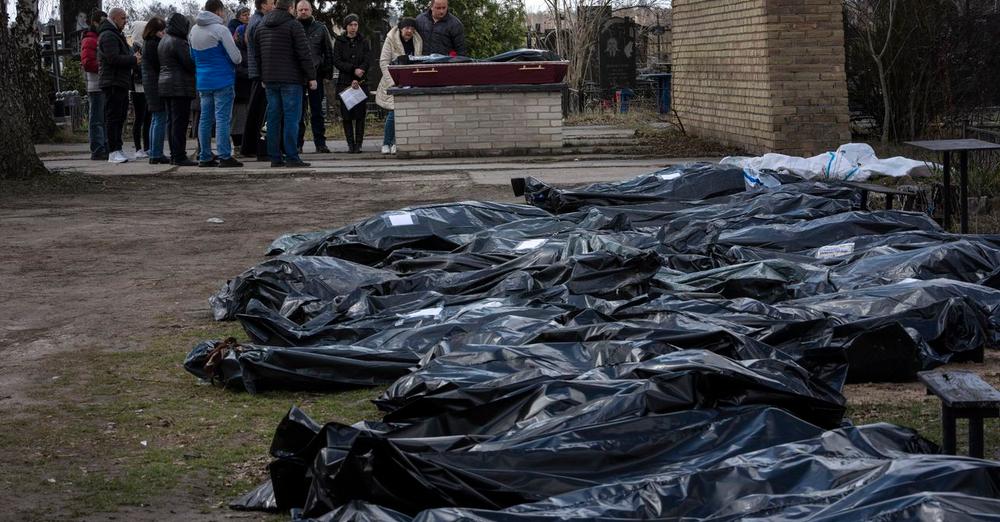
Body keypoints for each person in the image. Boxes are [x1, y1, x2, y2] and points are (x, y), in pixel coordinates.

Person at [254, 0, 317, 167]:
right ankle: (292, 156)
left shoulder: (261, 25)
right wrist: (311, 77)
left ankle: (274, 157)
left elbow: (257, 55)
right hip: (291, 80)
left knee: (273, 119)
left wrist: (262, 77)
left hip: (270, 80)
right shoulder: (293, 25)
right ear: (290, 8)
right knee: (291, 119)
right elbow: (304, 53)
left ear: (276, 6)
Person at [190, 0, 244, 168]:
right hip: (223, 80)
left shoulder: (193, 30)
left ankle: (204, 155)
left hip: (203, 82)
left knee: (205, 119)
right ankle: (224, 155)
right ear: (219, 11)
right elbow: (236, 57)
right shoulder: (221, 30)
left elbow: (192, 56)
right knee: (222, 119)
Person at [97, 7, 141, 164]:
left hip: (120, 81)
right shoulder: (108, 35)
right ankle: (113, 151)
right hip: (112, 82)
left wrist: (132, 58)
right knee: (113, 117)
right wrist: (133, 60)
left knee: (120, 116)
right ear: (114, 18)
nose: (126, 21)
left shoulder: (116, 34)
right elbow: (113, 58)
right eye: (123, 18)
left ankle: (118, 148)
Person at [376, 17, 422, 155]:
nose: (409, 31)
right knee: (393, 113)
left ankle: (397, 142)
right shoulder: (390, 39)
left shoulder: (417, 41)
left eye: (412, 29)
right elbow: (384, 62)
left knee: (406, 113)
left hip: (411, 82)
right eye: (407, 28)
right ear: (401, 28)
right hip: (394, 82)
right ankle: (386, 142)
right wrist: (393, 82)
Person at [158, 13, 198, 166]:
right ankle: (180, 155)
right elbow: (189, 63)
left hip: (166, 85)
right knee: (179, 122)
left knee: (171, 122)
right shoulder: (179, 42)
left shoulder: (164, 40)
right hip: (179, 86)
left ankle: (175, 154)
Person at [295, 0, 334, 153]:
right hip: (297, 76)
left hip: (316, 74)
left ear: (311, 10)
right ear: (296, 11)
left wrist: (327, 74)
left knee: (317, 111)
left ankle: (320, 143)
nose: (303, 12)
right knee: (298, 112)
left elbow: (328, 52)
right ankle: (298, 143)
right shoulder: (293, 27)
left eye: (306, 9)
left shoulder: (321, 28)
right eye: (300, 10)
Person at [241, 0, 275, 160]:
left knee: (255, 111)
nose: (274, 5)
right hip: (261, 73)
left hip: (257, 72)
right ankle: (258, 147)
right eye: (272, 3)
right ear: (263, 5)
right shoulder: (260, 22)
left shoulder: (255, 20)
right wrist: (264, 74)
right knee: (260, 113)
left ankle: (249, 146)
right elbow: (261, 51)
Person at [332, 13, 370, 154]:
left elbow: (367, 58)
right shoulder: (340, 41)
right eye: (350, 25)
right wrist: (353, 70)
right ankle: (350, 144)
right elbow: (337, 61)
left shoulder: (364, 41)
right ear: (346, 26)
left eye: (355, 24)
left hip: (361, 81)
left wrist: (361, 71)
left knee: (360, 115)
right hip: (345, 82)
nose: (353, 27)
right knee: (347, 115)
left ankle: (359, 144)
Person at [141, 17, 169, 164]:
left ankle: (154, 152)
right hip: (156, 86)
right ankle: (157, 153)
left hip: (150, 85)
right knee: (159, 119)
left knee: (155, 119)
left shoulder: (148, 43)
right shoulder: (153, 45)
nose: (163, 33)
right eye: (161, 30)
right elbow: (159, 65)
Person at [80, 10, 107, 160]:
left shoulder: (98, 37)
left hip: (102, 84)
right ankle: (97, 149)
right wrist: (105, 66)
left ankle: (103, 147)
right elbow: (88, 63)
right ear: (95, 22)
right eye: (102, 22)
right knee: (96, 120)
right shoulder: (90, 40)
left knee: (102, 120)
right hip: (96, 85)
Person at [129, 20, 150, 159]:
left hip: (146, 85)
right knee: (139, 117)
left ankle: (147, 147)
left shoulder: (145, 46)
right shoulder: (134, 48)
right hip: (137, 87)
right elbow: (134, 66)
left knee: (148, 117)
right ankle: (138, 147)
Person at [231, 22, 251, 148]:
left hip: (249, 89)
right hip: (239, 90)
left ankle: (247, 144)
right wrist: (253, 72)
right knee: (238, 120)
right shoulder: (235, 50)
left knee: (247, 119)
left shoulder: (250, 49)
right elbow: (237, 69)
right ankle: (238, 145)